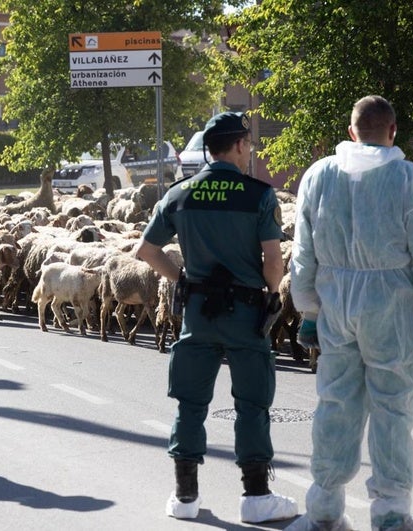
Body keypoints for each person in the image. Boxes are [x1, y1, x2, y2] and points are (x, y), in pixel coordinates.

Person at [286, 96, 413, 531]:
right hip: (390, 306)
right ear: (393, 131)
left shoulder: (319, 175)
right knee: (393, 407)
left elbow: (302, 253)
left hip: (335, 306)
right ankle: (391, 514)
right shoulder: (406, 178)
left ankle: (324, 510)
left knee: (335, 402)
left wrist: (307, 310)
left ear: (351, 132)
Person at [136, 112, 298, 524]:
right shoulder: (259, 195)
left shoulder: (179, 194)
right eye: (249, 143)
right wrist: (272, 295)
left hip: (199, 313)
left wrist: (183, 280)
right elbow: (274, 261)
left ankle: (186, 496)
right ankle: (256, 497)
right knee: (252, 404)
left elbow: (147, 252)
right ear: (240, 145)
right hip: (246, 314)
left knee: (190, 403)